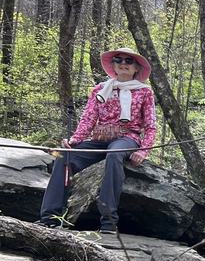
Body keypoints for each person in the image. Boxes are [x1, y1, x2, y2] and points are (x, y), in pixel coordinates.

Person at [38, 47, 157, 233]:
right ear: (113, 66)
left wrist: (143, 150)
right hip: (99, 138)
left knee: (114, 155)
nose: (123, 64)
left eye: (128, 61)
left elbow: (150, 125)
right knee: (63, 156)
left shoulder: (145, 93)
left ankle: (109, 221)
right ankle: (50, 218)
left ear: (136, 68)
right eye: (118, 60)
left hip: (127, 138)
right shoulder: (100, 90)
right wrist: (75, 139)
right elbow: (88, 118)